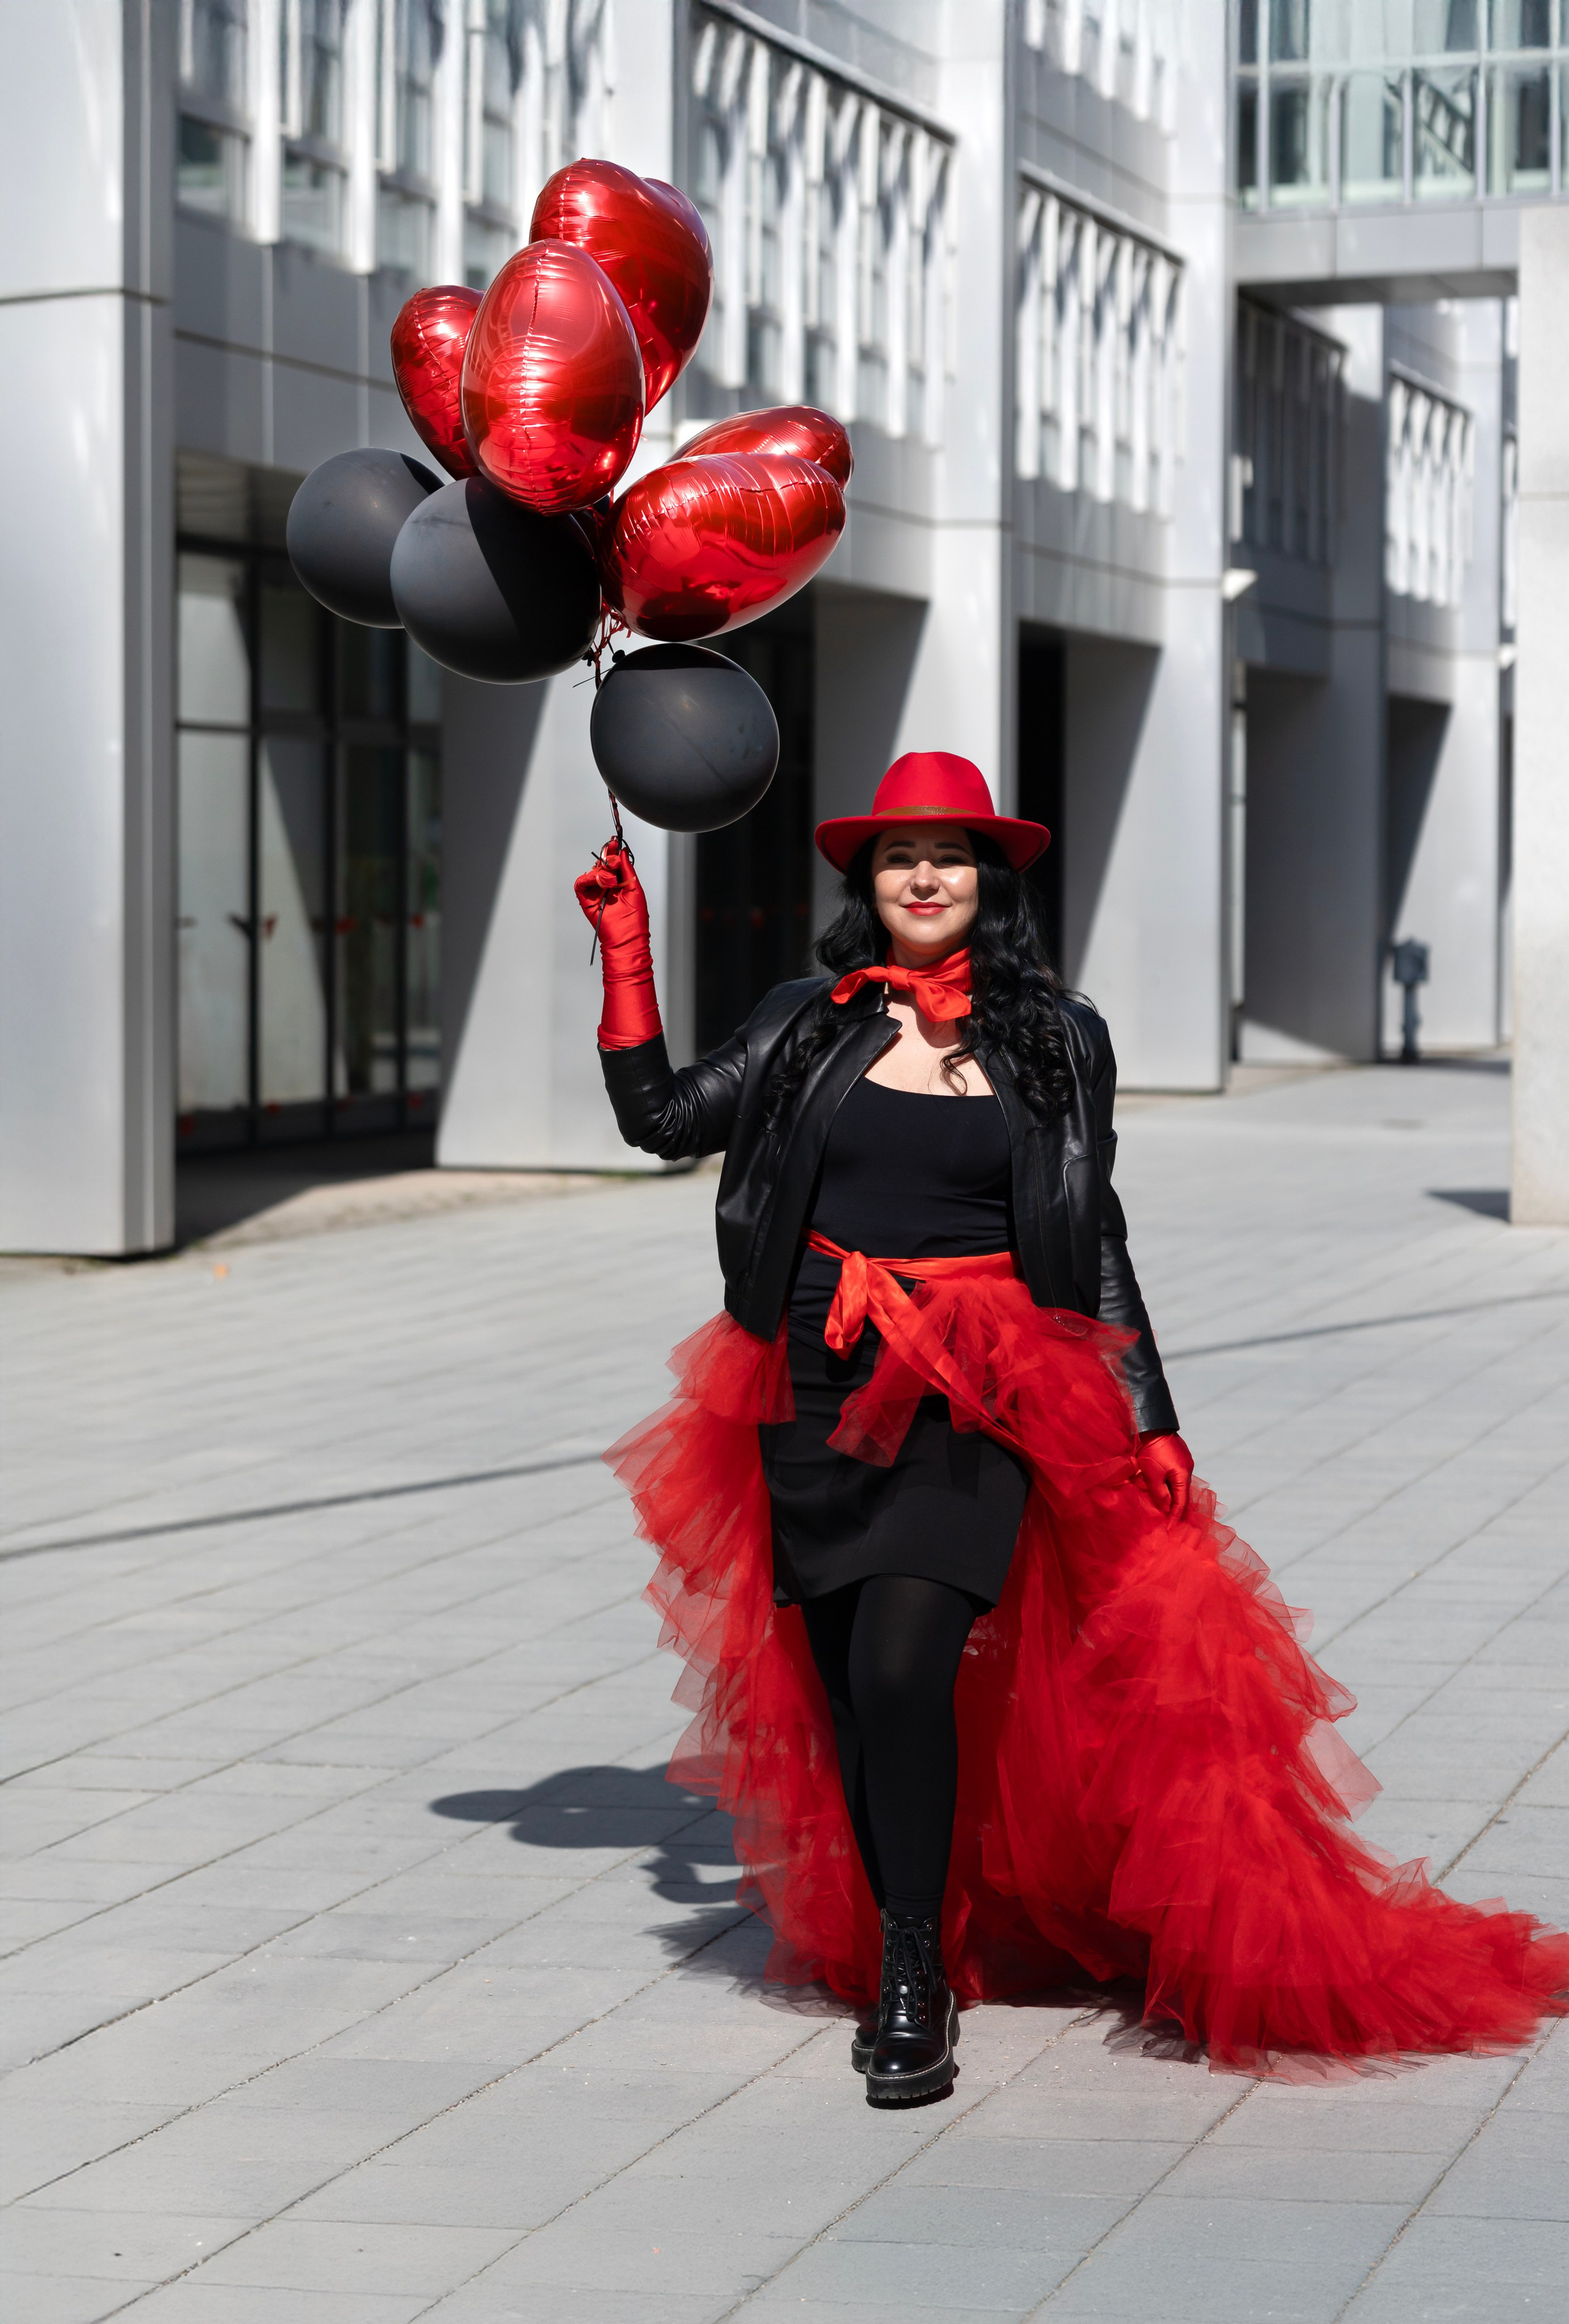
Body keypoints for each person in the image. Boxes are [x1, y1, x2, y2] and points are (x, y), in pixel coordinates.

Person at [576, 751, 1568, 2108]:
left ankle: (914, 1984)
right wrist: (626, 952)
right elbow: (657, 1118)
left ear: (987, 881)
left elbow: (1088, 1228)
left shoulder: (1052, 1033)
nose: (925, 876)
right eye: (897, 856)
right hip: (806, 1381)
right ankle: (896, 1938)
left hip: (987, 1384)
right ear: (866, 882)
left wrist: (1151, 1417)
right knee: (847, 1694)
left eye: (952, 855)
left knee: (905, 1666)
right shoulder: (810, 1018)